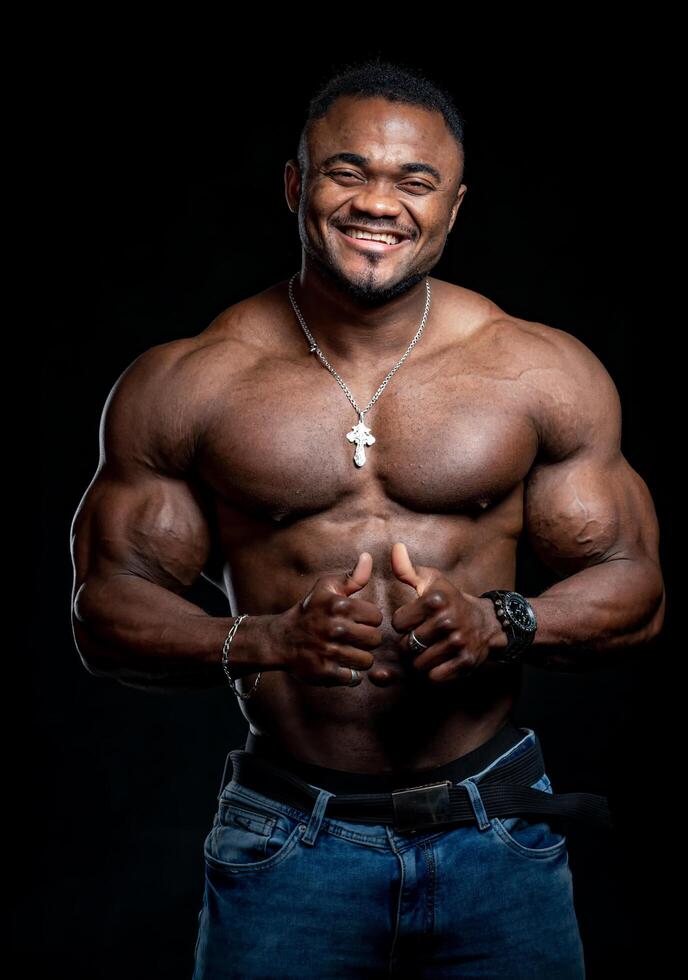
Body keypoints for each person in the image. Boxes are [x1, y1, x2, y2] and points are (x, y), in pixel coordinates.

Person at [70, 58, 665, 979]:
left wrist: (503, 622)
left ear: (453, 207)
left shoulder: (540, 371)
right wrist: (265, 639)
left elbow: (638, 590)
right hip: (286, 837)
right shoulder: (189, 382)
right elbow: (104, 611)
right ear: (296, 185)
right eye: (347, 171)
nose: (377, 202)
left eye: (413, 181)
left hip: (495, 828)